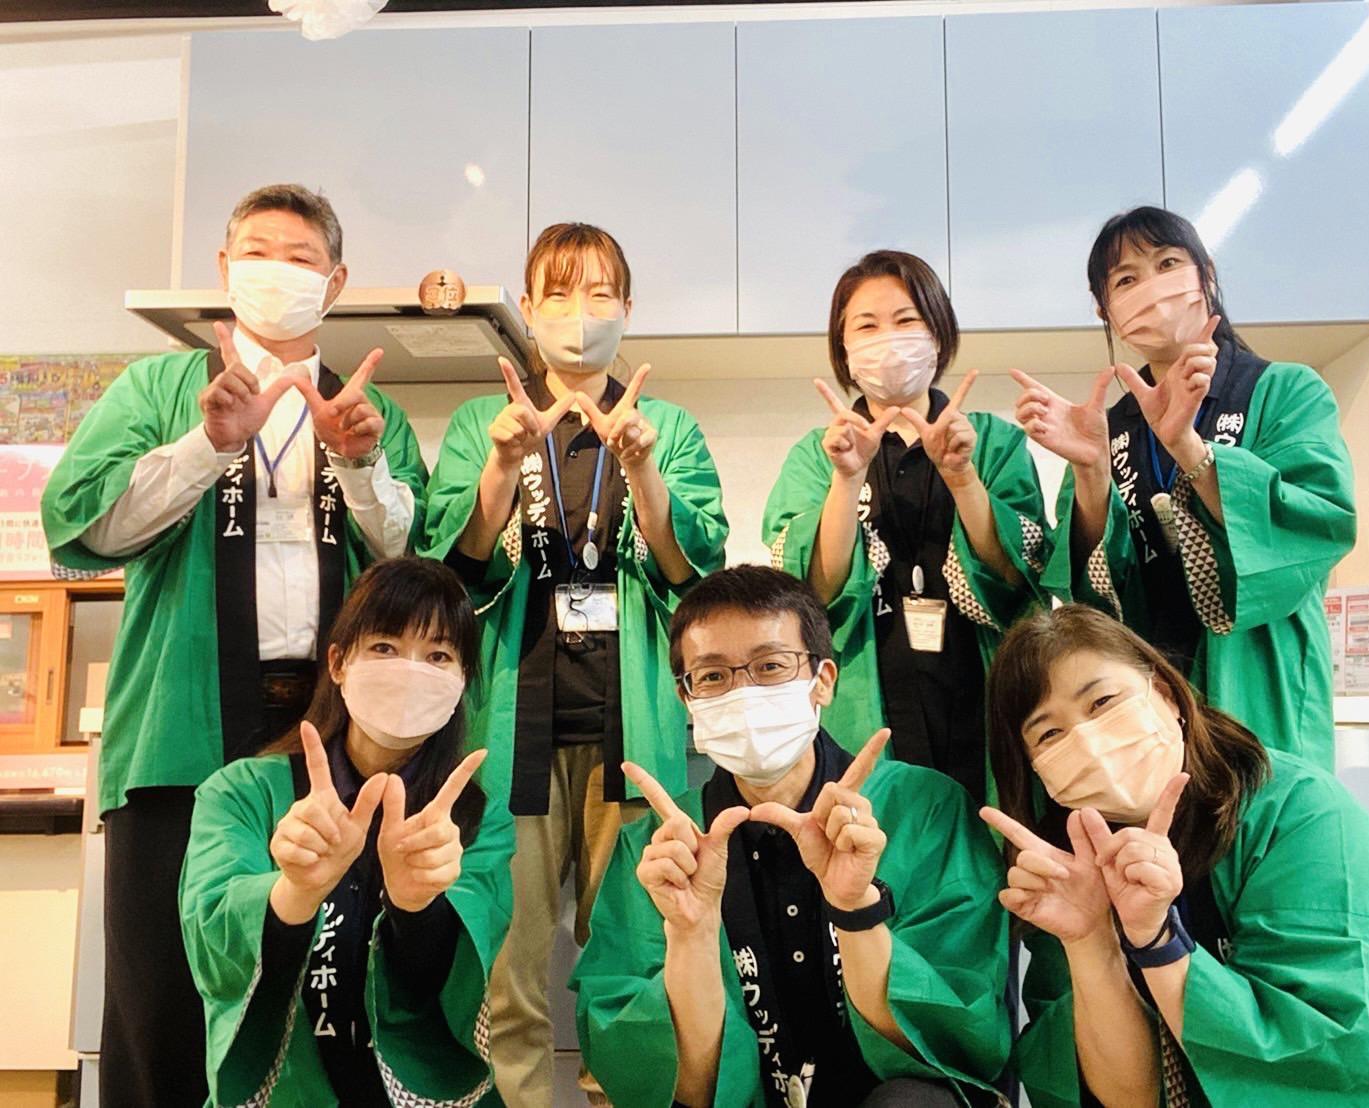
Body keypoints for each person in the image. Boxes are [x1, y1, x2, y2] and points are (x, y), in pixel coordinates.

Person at [40, 183, 426, 1106]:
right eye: (256, 252)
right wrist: (208, 445)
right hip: (178, 728)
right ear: (222, 268)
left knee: (319, 991)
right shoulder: (158, 389)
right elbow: (86, 522)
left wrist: (361, 465)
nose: (276, 272)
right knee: (162, 1001)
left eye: (300, 258)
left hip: (332, 740)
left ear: (335, 282)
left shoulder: (368, 408)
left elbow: (411, 564)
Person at [420, 222, 728, 1104]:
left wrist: (644, 470)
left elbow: (696, 573)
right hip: (511, 726)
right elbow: (452, 570)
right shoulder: (485, 420)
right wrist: (501, 464)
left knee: (630, 953)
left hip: (632, 728)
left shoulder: (668, 425)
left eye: (598, 293)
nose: (578, 312)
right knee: (507, 958)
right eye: (557, 293)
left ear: (627, 308)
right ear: (527, 308)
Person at [979, 604, 1369, 1108]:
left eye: (1102, 701)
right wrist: (1090, 941)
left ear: (1165, 694)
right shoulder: (1070, 872)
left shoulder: (1301, 814)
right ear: (1034, 768)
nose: (1088, 740)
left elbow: (1329, 1064)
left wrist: (1157, 940)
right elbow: (1128, 1098)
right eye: (1049, 733)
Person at [572, 565, 1012, 1107]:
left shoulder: (924, 810)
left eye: (770, 666)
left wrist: (855, 909)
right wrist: (692, 935)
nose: (743, 692)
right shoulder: (663, 850)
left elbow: (953, 1045)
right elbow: (680, 1089)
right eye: (712, 676)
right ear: (687, 699)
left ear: (822, 680)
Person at [1012, 206, 1355, 767]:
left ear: (1206, 274)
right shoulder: (1110, 426)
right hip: (1147, 688)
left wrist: (1189, 449)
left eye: (1167, 264)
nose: (1151, 288)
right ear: (1105, 310)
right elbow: (1094, 595)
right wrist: (1092, 471)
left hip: (1256, 668)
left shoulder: (1284, 390)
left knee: (1266, 808)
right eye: (1126, 279)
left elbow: (1315, 525)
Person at [179, 556, 513, 1107]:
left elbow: (457, 986)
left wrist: (416, 908)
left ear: (462, 682)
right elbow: (213, 944)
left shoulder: (475, 817)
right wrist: (294, 892)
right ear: (337, 662)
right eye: (384, 647)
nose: (409, 672)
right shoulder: (241, 792)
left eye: (439, 656)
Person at [764, 250, 1046, 805]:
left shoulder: (991, 440)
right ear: (844, 348)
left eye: (906, 320)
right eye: (866, 326)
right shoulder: (817, 454)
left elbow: (1019, 573)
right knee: (878, 838)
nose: (888, 339)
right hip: (866, 691)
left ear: (937, 333)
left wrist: (962, 476)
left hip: (983, 681)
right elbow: (811, 593)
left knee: (998, 836)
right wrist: (847, 478)